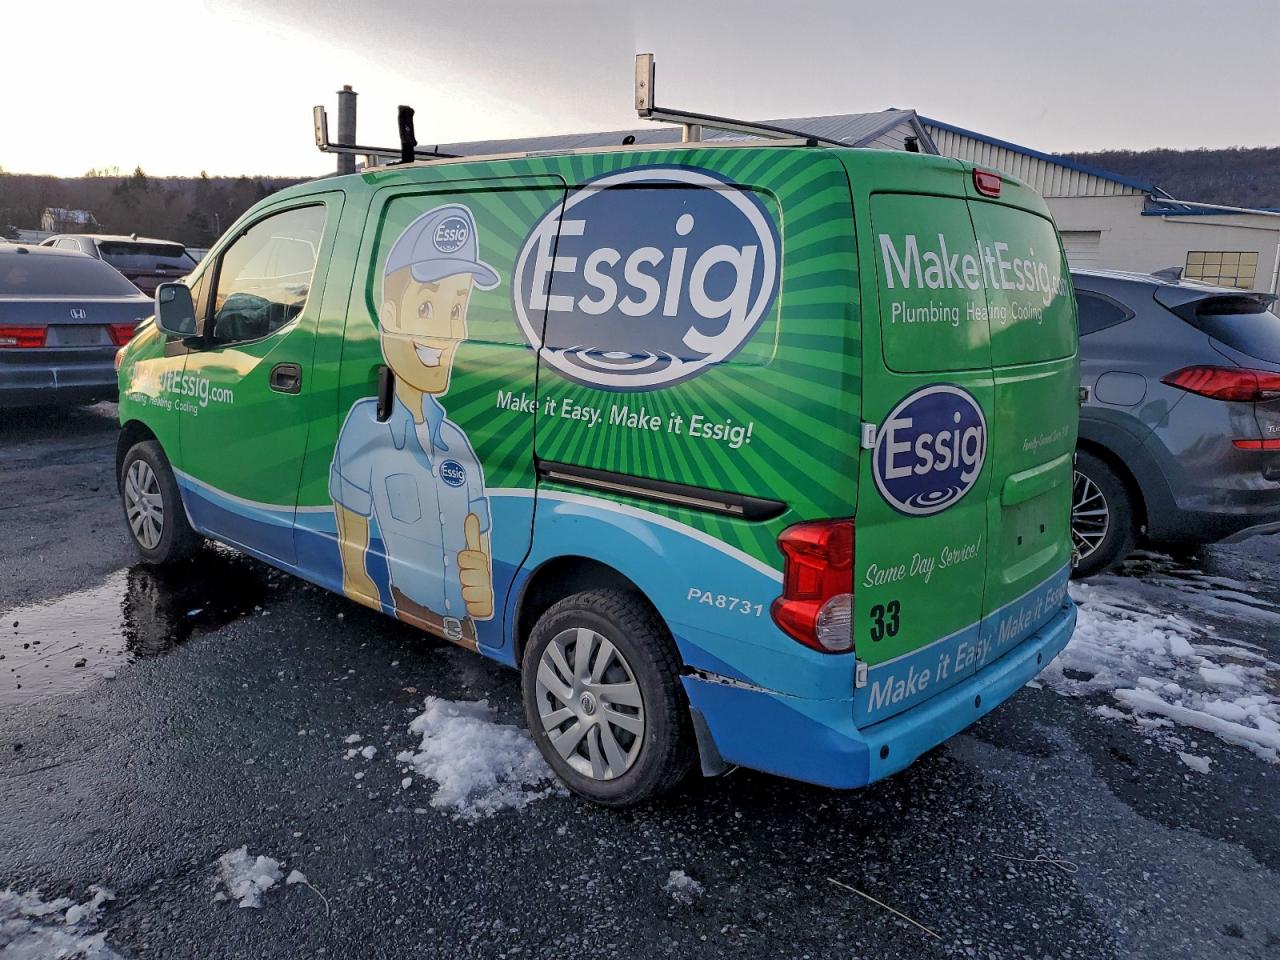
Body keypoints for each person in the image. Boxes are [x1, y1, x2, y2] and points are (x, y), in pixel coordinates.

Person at [329, 204, 499, 649]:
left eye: (457, 308)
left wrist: (483, 590)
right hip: (406, 608)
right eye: (426, 306)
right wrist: (361, 585)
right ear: (388, 315)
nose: (447, 332)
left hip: (467, 627)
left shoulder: (457, 441)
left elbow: (478, 543)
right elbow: (351, 548)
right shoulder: (366, 424)